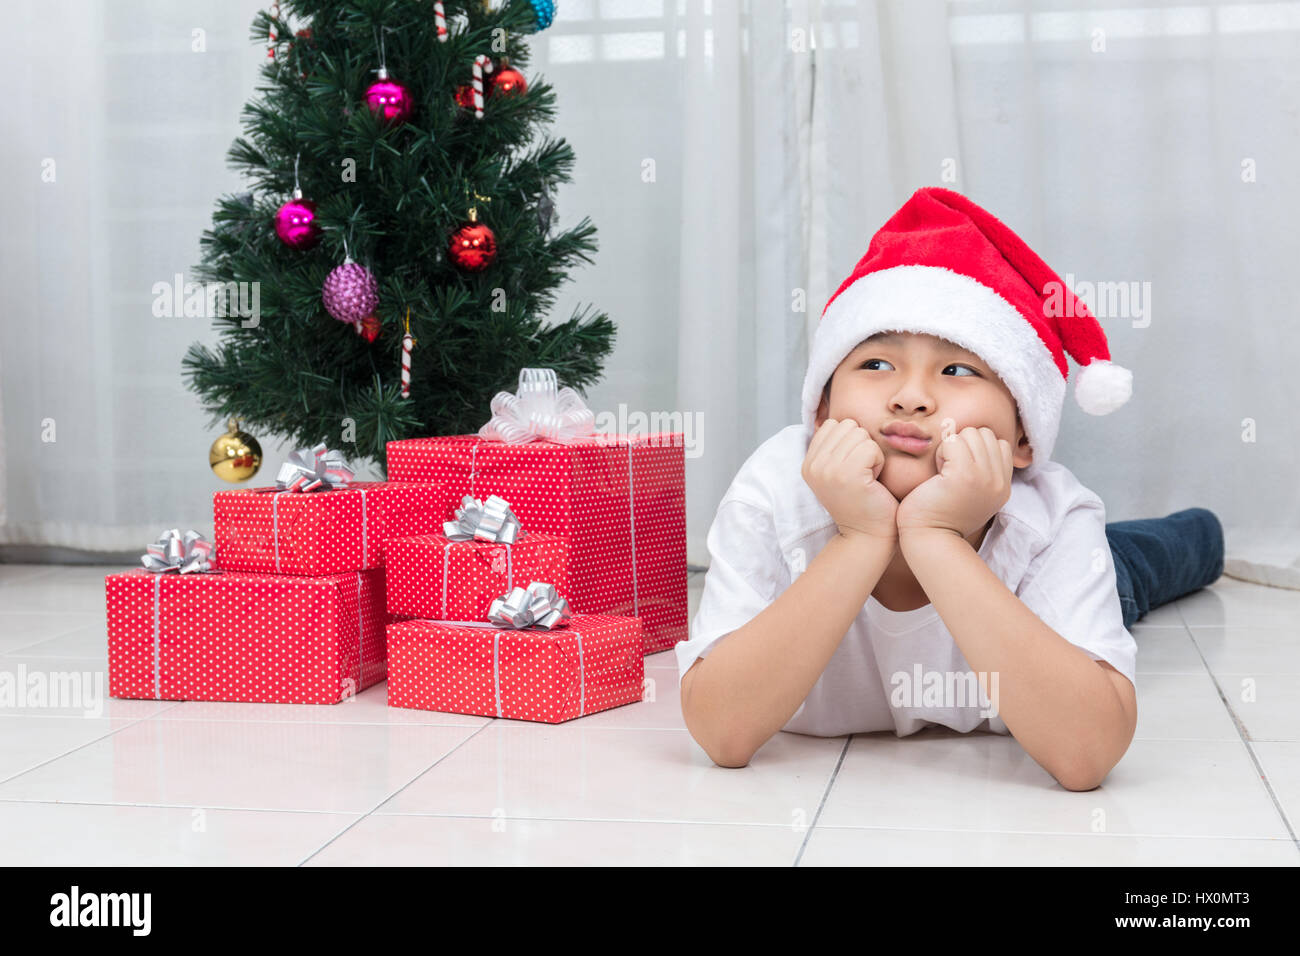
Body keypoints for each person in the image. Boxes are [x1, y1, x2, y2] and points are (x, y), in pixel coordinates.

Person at [675, 186, 1224, 790]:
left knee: (1149, 560)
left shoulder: (1054, 518)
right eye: (876, 364)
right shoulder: (773, 491)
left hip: (1069, 582)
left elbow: (1087, 754)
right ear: (823, 409)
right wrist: (860, 539)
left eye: (959, 370)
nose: (910, 396)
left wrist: (936, 538)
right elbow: (721, 731)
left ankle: (1202, 531)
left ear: (1022, 439)